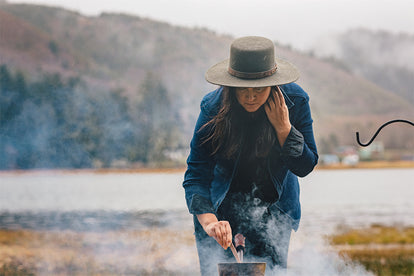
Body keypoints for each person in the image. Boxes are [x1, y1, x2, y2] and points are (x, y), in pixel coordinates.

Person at [182, 36, 318, 275]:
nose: (250, 96)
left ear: (273, 83)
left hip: (274, 211)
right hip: (219, 211)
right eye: (242, 89)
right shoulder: (212, 108)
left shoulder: (295, 102)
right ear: (230, 84)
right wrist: (210, 222)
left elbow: (305, 166)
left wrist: (285, 129)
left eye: (258, 89)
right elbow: (196, 175)